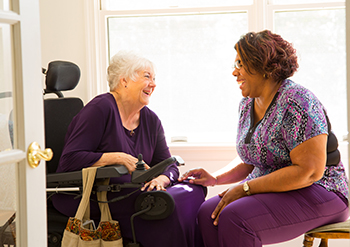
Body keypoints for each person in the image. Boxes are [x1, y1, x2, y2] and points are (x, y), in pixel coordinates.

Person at [179, 30, 349, 247]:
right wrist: (215, 178)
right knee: (207, 214)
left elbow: (309, 172)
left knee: (235, 218)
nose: (234, 72)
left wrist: (245, 188)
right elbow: (252, 157)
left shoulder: (298, 102)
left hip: (322, 190)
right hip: (274, 188)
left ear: (264, 66)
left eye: (240, 64)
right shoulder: (247, 104)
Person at [52, 51, 206, 247]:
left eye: (154, 78)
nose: (153, 84)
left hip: (134, 192)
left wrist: (162, 178)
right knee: (168, 209)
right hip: (99, 195)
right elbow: (70, 160)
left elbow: (168, 164)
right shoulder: (100, 109)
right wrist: (119, 158)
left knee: (192, 191)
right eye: (147, 76)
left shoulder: (150, 119)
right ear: (124, 81)